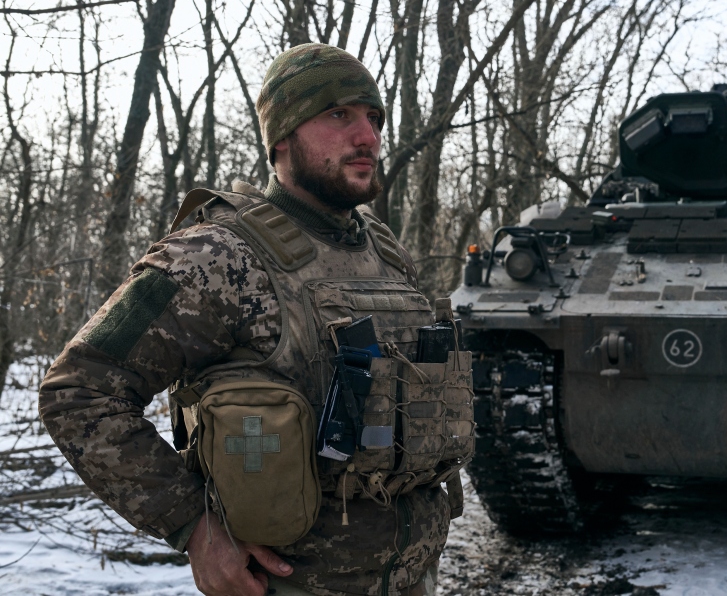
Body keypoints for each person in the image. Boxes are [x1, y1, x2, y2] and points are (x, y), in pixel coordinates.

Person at [38, 44, 465, 596]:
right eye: (339, 115)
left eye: (374, 118)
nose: (368, 136)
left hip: (414, 580)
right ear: (282, 136)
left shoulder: (384, 251)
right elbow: (79, 391)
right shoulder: (216, 255)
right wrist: (193, 525)